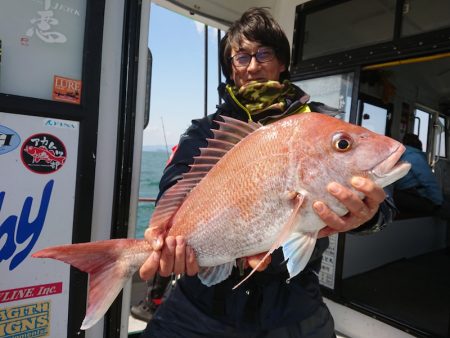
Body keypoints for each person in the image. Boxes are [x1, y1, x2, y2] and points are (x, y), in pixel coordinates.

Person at [139, 7, 395, 337]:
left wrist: (370, 214)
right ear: (230, 69)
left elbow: (385, 205)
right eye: (241, 57)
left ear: (283, 63)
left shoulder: (318, 124)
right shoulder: (205, 133)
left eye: (264, 53)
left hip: (293, 303)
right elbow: (175, 186)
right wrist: (166, 239)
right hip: (204, 305)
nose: (254, 65)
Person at [394, 133, 443, 216]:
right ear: (418, 143)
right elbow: (429, 182)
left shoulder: (399, 155)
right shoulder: (415, 157)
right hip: (412, 195)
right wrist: (438, 203)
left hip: (399, 194)